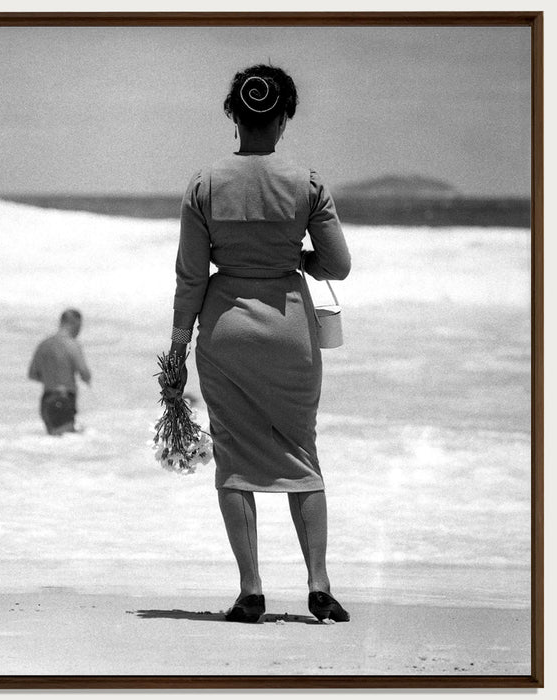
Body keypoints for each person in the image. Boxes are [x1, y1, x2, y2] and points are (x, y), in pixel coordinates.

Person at [166, 64, 352, 623]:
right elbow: (339, 265)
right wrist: (299, 259)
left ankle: (251, 590)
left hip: (225, 335)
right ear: (282, 117)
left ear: (235, 115)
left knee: (235, 460)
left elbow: (190, 280)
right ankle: (319, 586)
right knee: (302, 454)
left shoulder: (204, 184)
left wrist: (175, 358)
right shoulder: (306, 182)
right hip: (290, 332)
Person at [28, 308, 91, 435]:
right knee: (68, 445)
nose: (79, 331)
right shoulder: (71, 344)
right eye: (80, 326)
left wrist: (50, 378)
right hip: (63, 400)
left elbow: (32, 374)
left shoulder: (44, 345)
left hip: (46, 401)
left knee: (53, 445)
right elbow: (84, 373)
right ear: (75, 323)